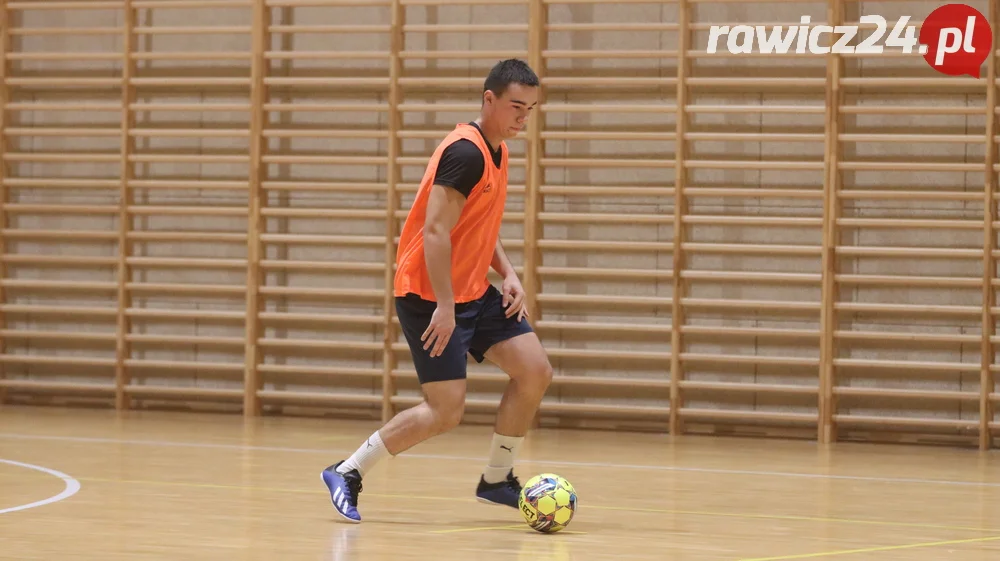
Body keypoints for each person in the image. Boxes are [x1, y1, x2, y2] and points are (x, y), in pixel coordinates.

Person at [320, 59, 553, 524]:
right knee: (445, 412)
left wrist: (507, 272)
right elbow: (435, 232)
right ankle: (347, 470)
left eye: (530, 109)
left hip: (471, 290)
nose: (523, 118)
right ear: (488, 100)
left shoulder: (498, 151)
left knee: (534, 371)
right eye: (515, 107)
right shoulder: (465, 153)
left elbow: (477, 226)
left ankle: (496, 478)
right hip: (429, 296)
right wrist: (446, 306)